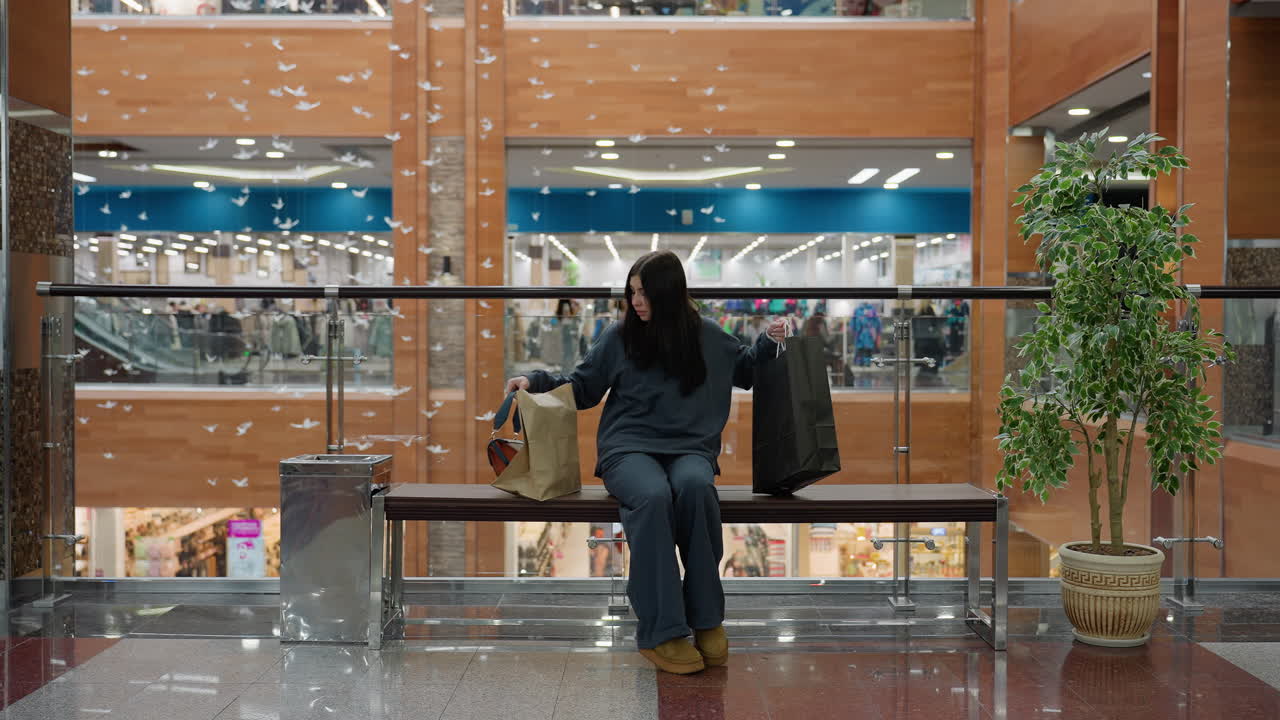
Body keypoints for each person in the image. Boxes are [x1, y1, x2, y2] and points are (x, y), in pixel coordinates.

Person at [505, 250, 786, 675]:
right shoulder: (621, 337)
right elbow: (583, 388)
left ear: (669, 293)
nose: (636, 301)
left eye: (645, 293)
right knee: (653, 497)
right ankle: (661, 631)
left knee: (695, 489)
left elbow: (745, 370)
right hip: (627, 448)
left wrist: (770, 341)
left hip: (690, 449)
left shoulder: (708, 336)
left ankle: (705, 619)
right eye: (632, 292)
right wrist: (537, 380)